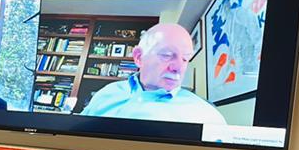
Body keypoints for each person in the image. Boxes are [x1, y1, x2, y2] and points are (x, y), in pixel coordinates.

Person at [82, 23, 226, 124]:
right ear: (139, 57)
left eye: (185, 58)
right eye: (167, 55)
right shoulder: (106, 93)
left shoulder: (207, 116)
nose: (178, 67)